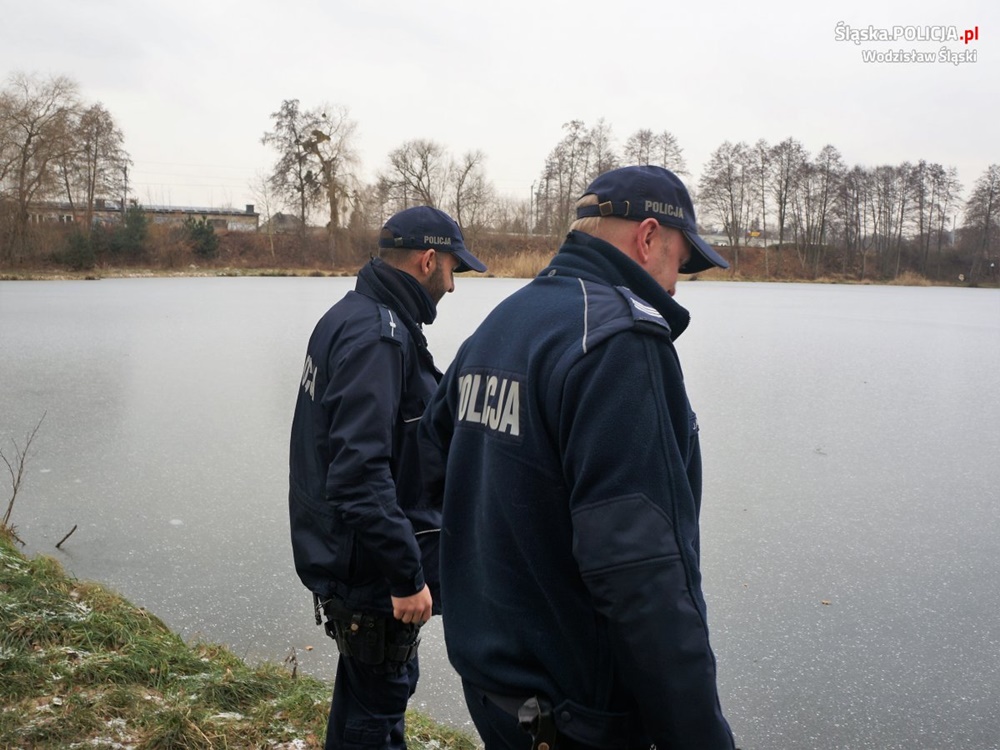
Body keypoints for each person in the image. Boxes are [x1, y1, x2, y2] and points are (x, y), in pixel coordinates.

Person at [419, 166, 738, 749]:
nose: (674, 287)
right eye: (680, 262)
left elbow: (428, 469)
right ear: (648, 237)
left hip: (494, 690)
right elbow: (641, 574)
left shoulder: (504, 322)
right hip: (574, 717)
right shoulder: (619, 343)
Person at [288, 205, 487, 750]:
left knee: (364, 699)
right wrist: (405, 575)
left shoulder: (348, 315)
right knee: (375, 715)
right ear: (428, 260)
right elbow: (358, 475)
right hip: (371, 573)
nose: (453, 284)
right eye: (453, 269)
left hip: (347, 554)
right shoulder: (379, 337)